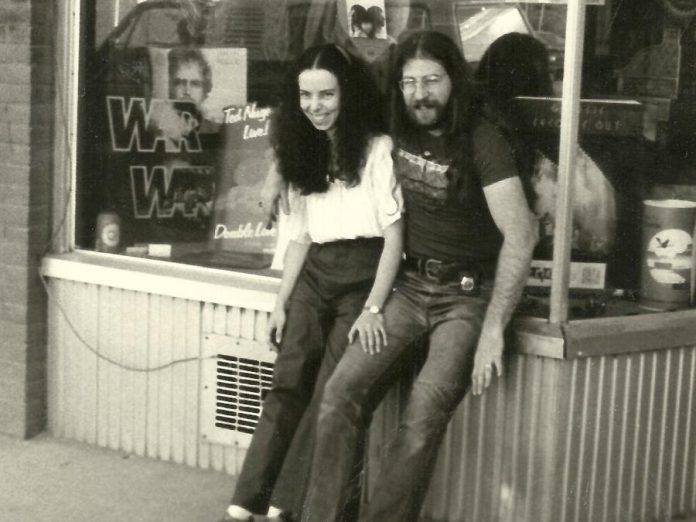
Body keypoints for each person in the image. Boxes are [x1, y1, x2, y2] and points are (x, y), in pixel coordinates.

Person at [300, 30, 538, 522]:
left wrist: (494, 328)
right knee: (340, 393)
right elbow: (322, 113)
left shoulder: (482, 139)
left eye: (431, 80)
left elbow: (522, 233)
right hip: (407, 287)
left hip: (466, 298)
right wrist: (274, 174)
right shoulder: (396, 121)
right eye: (409, 82)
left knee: (420, 420)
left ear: (455, 80)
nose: (420, 93)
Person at [219, 44, 404, 522]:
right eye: (305, 95)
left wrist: (374, 307)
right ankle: (244, 504)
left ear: (348, 93)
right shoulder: (298, 147)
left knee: (327, 389)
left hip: (363, 274)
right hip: (315, 272)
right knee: (287, 380)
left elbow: (394, 236)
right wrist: (282, 299)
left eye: (326, 94)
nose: (315, 105)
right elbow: (298, 235)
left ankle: (286, 504)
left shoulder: (376, 148)